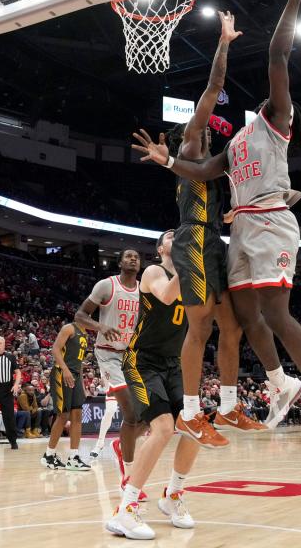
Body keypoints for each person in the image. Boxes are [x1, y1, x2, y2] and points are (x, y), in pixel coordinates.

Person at [130, 0, 301, 445]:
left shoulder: (275, 124)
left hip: (267, 222)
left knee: (267, 312)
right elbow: (204, 172)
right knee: (244, 316)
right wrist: (169, 161)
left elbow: (278, 55)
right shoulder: (236, 142)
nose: (272, 96)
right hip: (235, 230)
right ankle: (277, 383)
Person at [156, 11, 265, 448]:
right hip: (192, 240)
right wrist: (224, 42)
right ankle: (188, 413)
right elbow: (213, 89)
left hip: (213, 241)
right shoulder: (190, 147)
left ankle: (228, 406)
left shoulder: (215, 167)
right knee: (199, 328)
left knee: (232, 326)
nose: (203, 133)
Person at [105, 230, 196, 540]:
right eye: (171, 236)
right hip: (142, 360)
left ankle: (173, 495)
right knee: (162, 428)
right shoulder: (155, 271)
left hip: (173, 363)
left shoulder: (192, 275)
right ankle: (124, 510)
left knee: (195, 426)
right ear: (161, 248)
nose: (177, 236)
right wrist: (191, 259)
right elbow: (169, 295)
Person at [74, 251, 145, 489]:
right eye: (128, 256)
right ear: (120, 262)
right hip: (107, 354)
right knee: (130, 412)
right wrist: (100, 326)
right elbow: (80, 315)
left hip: (132, 356)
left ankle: (120, 444)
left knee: (151, 413)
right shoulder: (107, 285)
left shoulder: (144, 291)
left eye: (136, 256)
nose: (133, 259)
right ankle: (129, 477)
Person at [41, 323, 90, 471]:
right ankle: (49, 455)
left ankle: (73, 458)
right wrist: (65, 369)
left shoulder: (85, 334)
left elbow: (80, 363)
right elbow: (55, 349)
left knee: (77, 415)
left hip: (75, 376)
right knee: (63, 415)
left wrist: (82, 385)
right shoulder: (69, 328)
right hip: (62, 373)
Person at [89, 376, 119, 462]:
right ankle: (100, 442)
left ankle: (121, 444)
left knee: (130, 413)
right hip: (110, 374)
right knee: (110, 410)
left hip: (126, 374)